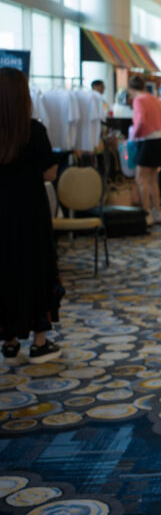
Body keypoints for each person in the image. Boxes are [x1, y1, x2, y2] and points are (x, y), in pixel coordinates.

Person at [0, 67, 62, 364]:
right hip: (31, 212)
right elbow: (49, 171)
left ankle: (9, 341)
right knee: (36, 268)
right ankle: (39, 341)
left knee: (4, 272)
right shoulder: (33, 130)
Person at [127, 74, 161, 226]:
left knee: (141, 178)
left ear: (131, 88)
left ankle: (147, 213)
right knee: (152, 180)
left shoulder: (138, 100)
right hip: (160, 140)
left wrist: (133, 137)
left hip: (147, 141)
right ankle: (158, 213)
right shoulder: (154, 98)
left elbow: (140, 121)